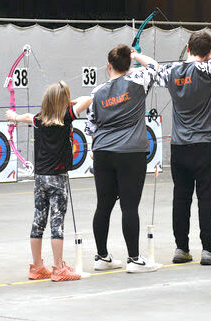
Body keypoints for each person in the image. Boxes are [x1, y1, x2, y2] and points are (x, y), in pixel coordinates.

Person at [156, 30, 211, 265]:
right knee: (207, 197)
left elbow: (152, 66)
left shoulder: (173, 71)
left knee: (181, 197)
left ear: (187, 48)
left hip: (179, 146)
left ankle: (181, 248)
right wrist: (209, 60)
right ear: (208, 53)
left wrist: (137, 56)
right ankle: (208, 249)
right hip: (205, 146)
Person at [6, 81, 91, 281]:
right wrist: (70, 100)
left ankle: (36, 267)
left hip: (40, 178)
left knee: (38, 220)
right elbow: (88, 99)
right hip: (58, 178)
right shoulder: (66, 116)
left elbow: (26, 116)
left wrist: (14, 117)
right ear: (64, 102)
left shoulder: (38, 119)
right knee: (57, 223)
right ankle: (59, 268)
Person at [85, 45, 160, 273]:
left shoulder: (97, 92)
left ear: (109, 66)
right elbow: (154, 67)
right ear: (128, 65)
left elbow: (91, 126)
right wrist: (137, 55)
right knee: (129, 206)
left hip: (103, 153)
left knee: (104, 205)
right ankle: (135, 260)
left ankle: (101, 257)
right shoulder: (137, 80)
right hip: (131, 153)